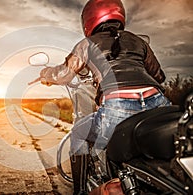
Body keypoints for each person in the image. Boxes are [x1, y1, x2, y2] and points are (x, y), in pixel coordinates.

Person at [39, 0, 171, 194]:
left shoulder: (87, 44)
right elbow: (159, 76)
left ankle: (80, 191)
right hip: (158, 103)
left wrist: (46, 75)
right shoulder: (138, 40)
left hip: (118, 105)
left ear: (89, 19)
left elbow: (64, 74)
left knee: (78, 132)